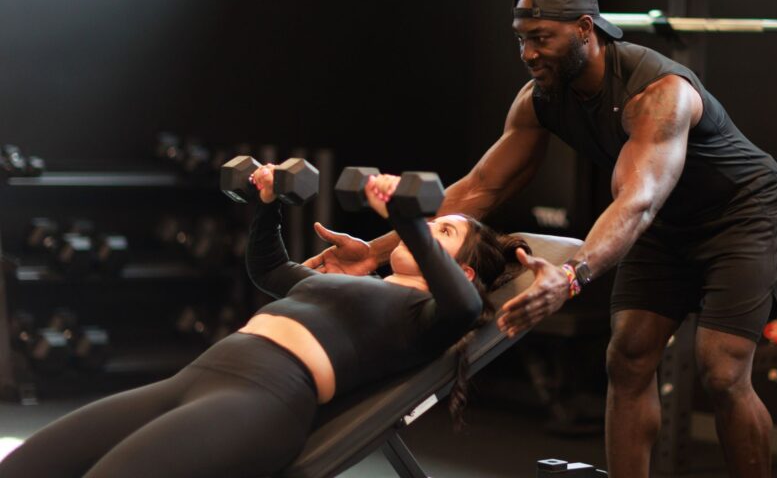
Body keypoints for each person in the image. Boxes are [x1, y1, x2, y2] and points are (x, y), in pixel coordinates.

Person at [303, 0, 777, 478]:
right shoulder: (541, 98)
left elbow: (637, 202)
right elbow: (479, 189)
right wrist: (375, 253)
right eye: (521, 39)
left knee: (721, 369)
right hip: (662, 222)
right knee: (627, 358)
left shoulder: (657, 93)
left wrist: (571, 276)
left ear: (585, 29)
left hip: (740, 213)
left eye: (541, 38)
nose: (528, 53)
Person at [0, 169, 529, 478]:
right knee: (26, 466)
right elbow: (270, 268)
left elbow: (464, 308)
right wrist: (268, 204)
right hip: (194, 379)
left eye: (445, 232)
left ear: (462, 270)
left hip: (260, 400)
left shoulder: (428, 316)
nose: (431, 230)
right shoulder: (355, 282)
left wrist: (407, 220)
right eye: (432, 222)